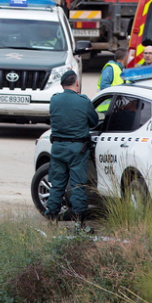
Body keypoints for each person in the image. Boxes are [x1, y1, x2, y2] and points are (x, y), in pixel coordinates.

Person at [44, 70, 98, 226]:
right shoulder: (83, 101)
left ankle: (52, 218)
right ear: (77, 84)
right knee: (78, 185)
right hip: (77, 148)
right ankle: (78, 222)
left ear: (62, 85)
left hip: (58, 148)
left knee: (57, 184)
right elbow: (94, 122)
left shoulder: (54, 100)